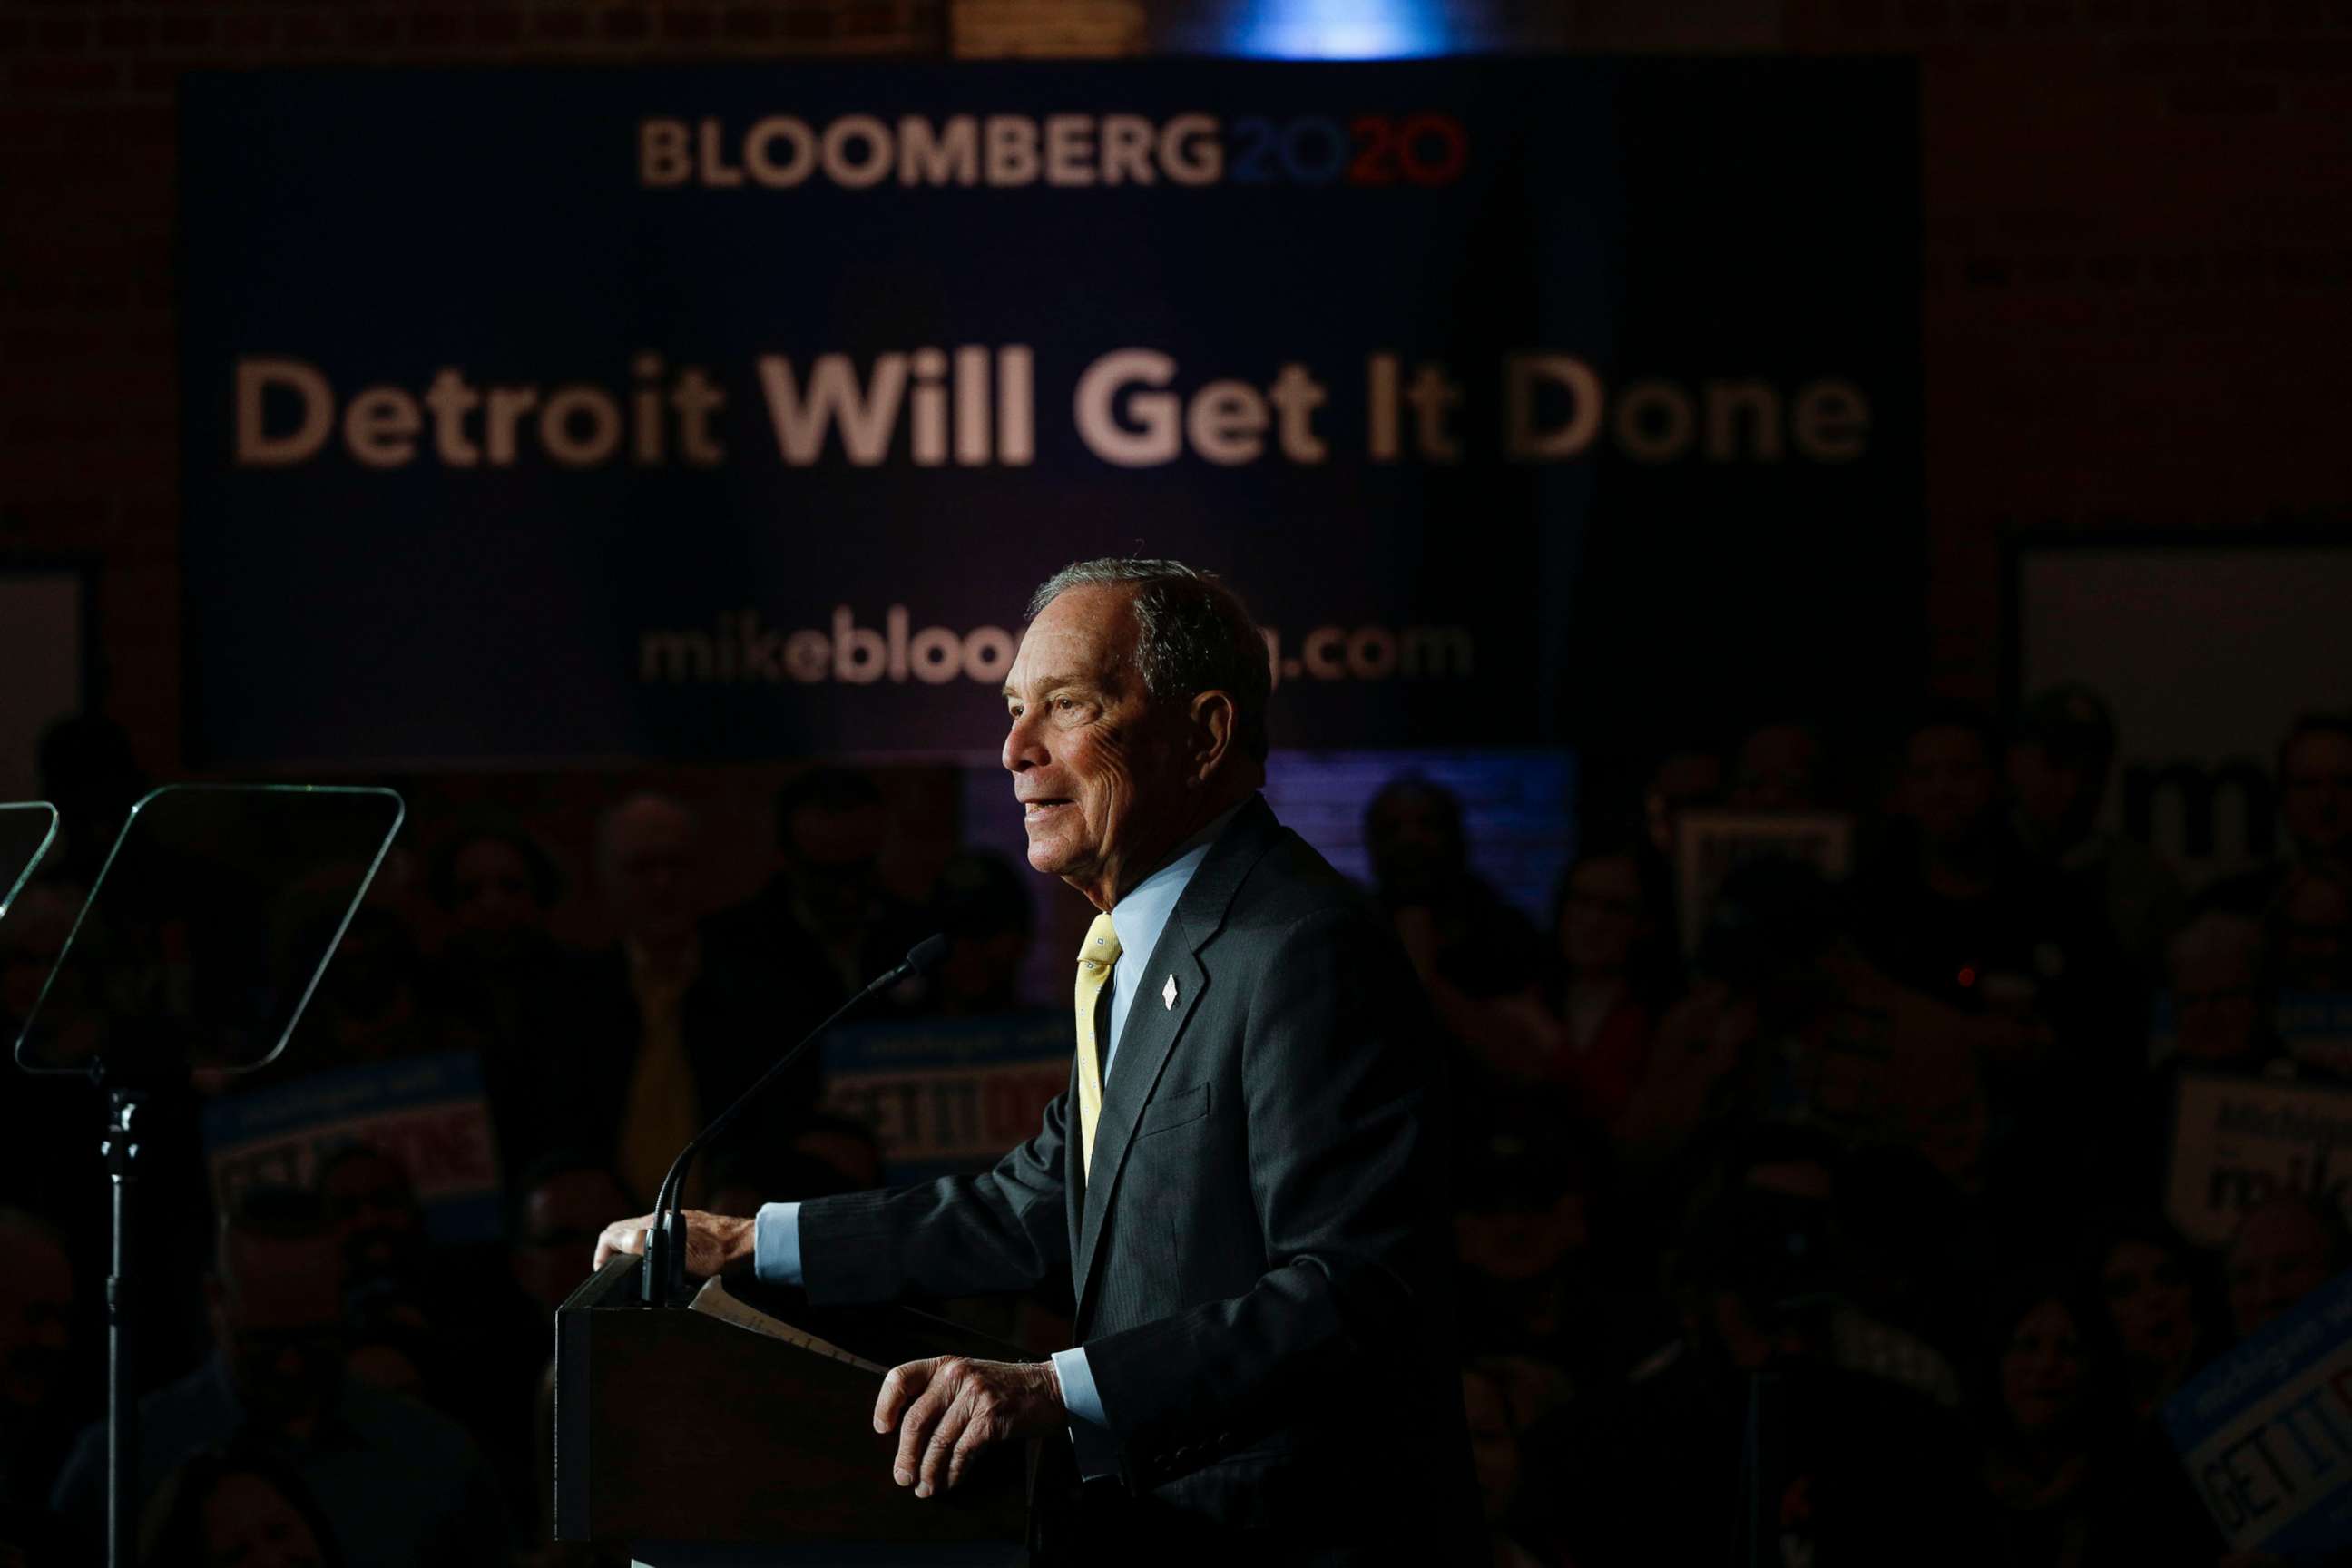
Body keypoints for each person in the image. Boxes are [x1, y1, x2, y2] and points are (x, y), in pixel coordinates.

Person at [596, 558, 1476, 1561]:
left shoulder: (1300, 949)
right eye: (1016, 709)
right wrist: (755, 1242)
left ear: (1206, 733)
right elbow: (1040, 1201)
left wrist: (1057, 1388)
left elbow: (1349, 1292)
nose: (1015, 749)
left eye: (1067, 705)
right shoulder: (1139, 951)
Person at [51, 1187, 507, 1568]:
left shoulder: (434, 1457)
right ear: (215, 1300)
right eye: (264, 1342)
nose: (290, 1365)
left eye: (313, 1338)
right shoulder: (118, 1464)